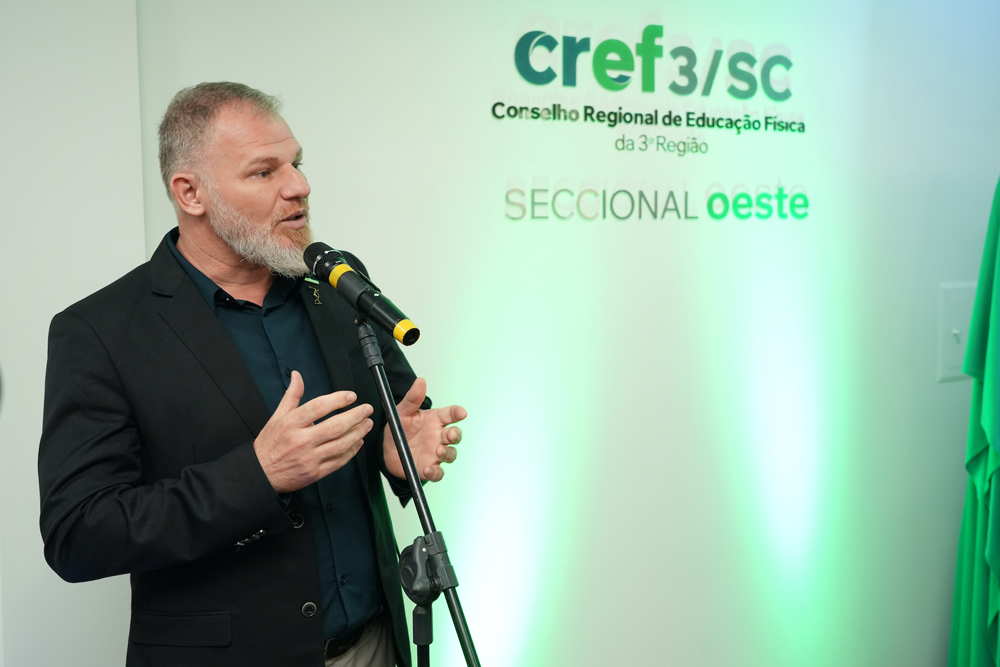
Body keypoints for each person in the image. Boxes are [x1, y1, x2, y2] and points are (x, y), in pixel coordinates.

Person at [37, 82, 465, 667]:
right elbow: (78, 535)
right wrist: (258, 476)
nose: (298, 186)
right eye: (264, 172)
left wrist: (394, 454)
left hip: (375, 645)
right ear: (191, 193)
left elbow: (396, 418)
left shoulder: (336, 283)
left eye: (296, 163)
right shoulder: (100, 332)